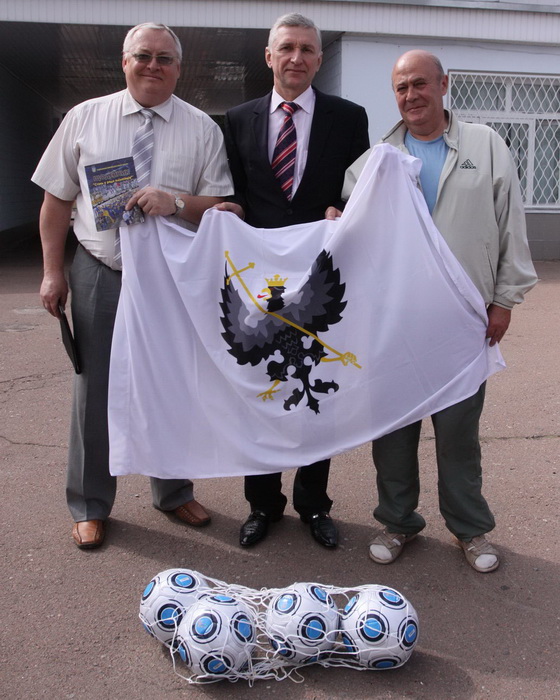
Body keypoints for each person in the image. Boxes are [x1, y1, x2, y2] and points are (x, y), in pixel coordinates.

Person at [329, 50, 537, 572]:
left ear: (444, 85)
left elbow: (510, 225)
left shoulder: (485, 146)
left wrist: (504, 300)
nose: (411, 95)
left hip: (463, 320)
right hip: (393, 323)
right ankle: (398, 521)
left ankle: (470, 529)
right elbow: (353, 229)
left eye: (420, 84)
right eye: (401, 88)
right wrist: (335, 220)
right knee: (393, 432)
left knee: (459, 434)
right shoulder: (377, 159)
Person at [32, 23, 233, 549]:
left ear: (179, 68)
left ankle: (173, 491)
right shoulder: (85, 119)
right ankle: (89, 504)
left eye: (165, 58)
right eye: (143, 56)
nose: (153, 66)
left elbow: (220, 207)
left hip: (170, 280)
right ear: (125, 62)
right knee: (95, 390)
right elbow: (56, 201)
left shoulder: (201, 129)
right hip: (101, 270)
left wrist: (177, 202)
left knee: (171, 385)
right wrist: (53, 271)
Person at [217, 13, 370, 549]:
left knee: (314, 394)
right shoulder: (237, 119)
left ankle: (314, 504)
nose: (296, 58)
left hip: (319, 277)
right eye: (287, 48)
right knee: (258, 393)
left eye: (307, 49)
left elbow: (357, 192)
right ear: (269, 56)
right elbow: (234, 194)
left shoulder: (348, 118)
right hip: (259, 281)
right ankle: (262, 505)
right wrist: (226, 213)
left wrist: (343, 209)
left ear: (320, 59)